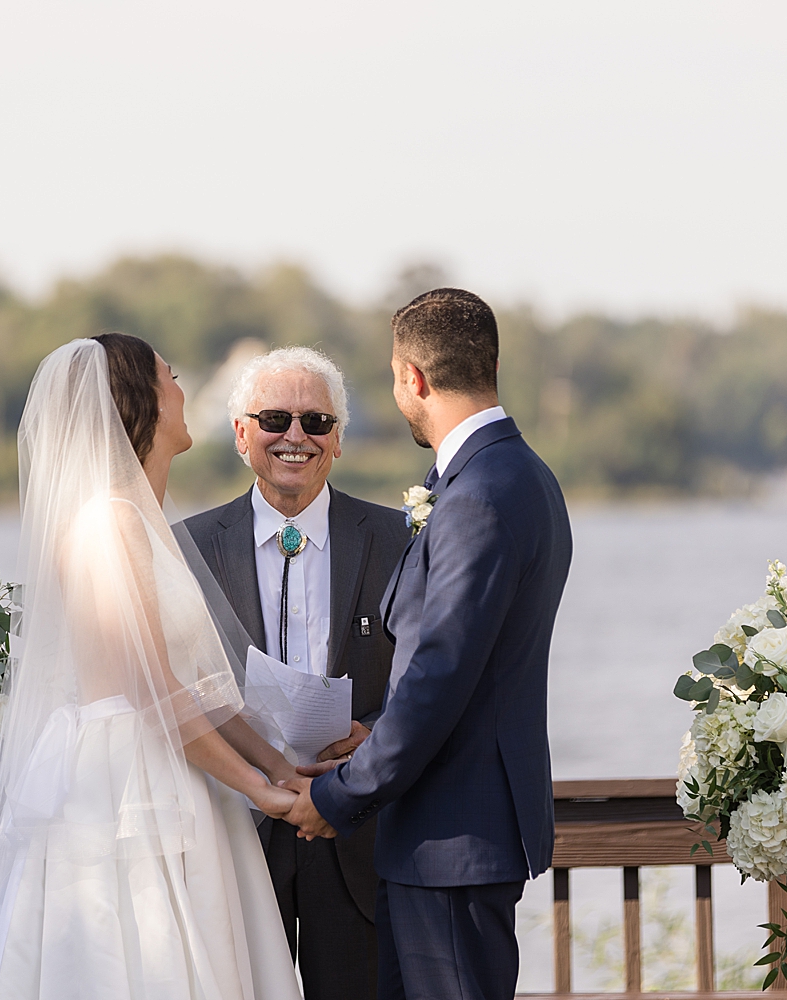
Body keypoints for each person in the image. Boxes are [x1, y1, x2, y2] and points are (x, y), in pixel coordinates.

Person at [0, 334, 305, 1000]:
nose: (182, 389)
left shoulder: (138, 520)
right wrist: (259, 790)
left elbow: (199, 689)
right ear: (141, 401)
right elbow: (156, 694)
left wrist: (281, 766)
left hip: (170, 768)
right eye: (170, 377)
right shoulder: (109, 524)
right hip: (128, 784)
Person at [282, 290, 574, 1000]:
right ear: (491, 362)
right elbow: (472, 668)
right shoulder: (515, 476)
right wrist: (371, 733)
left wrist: (341, 794)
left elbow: (440, 674)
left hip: (452, 843)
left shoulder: (478, 496)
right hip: (443, 840)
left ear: (412, 378)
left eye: (392, 376)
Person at [183, 347, 410, 1000]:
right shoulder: (187, 548)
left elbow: (429, 676)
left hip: (355, 832)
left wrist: (378, 735)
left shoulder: (399, 539)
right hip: (236, 835)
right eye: (276, 418)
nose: (295, 437)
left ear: (337, 439)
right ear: (240, 433)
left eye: (315, 422)